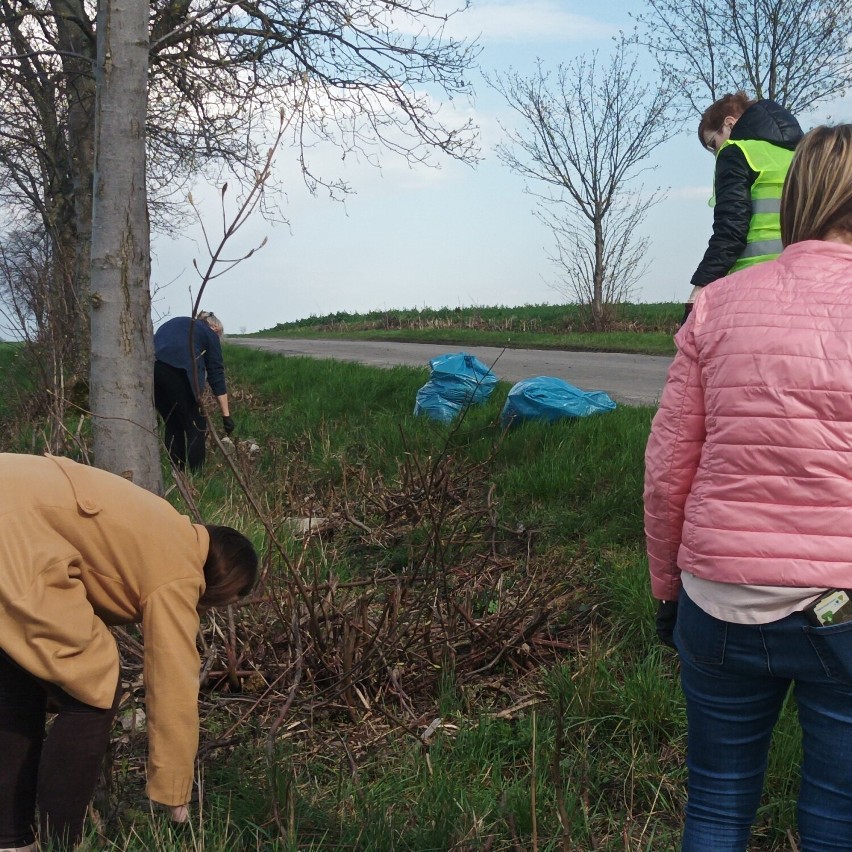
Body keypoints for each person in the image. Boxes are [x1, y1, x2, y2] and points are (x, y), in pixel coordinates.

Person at [645, 124, 852, 850]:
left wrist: (667, 593)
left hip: (720, 599)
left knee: (716, 807)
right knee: (836, 816)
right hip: (848, 606)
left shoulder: (720, 304)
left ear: (796, 196)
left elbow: (668, 473)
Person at [0, 453, 258, 851]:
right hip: (16, 528)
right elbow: (173, 678)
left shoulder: (166, 525)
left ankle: (11, 840)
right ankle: (57, 844)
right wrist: (173, 786)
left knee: (20, 684)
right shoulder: (180, 570)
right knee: (94, 687)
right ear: (225, 581)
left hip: (14, 503)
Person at [683, 91, 803, 321]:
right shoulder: (803, 154)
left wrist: (701, 285)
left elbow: (731, 229)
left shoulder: (737, 152)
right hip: (803, 281)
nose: (715, 152)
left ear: (729, 124)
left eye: (713, 144)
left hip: (753, 287)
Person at [154, 311, 235, 472]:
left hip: (154, 371)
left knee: (173, 424)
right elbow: (216, 374)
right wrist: (226, 416)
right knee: (196, 425)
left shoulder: (177, 323)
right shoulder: (209, 333)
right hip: (179, 372)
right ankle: (197, 477)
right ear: (215, 327)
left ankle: (177, 474)